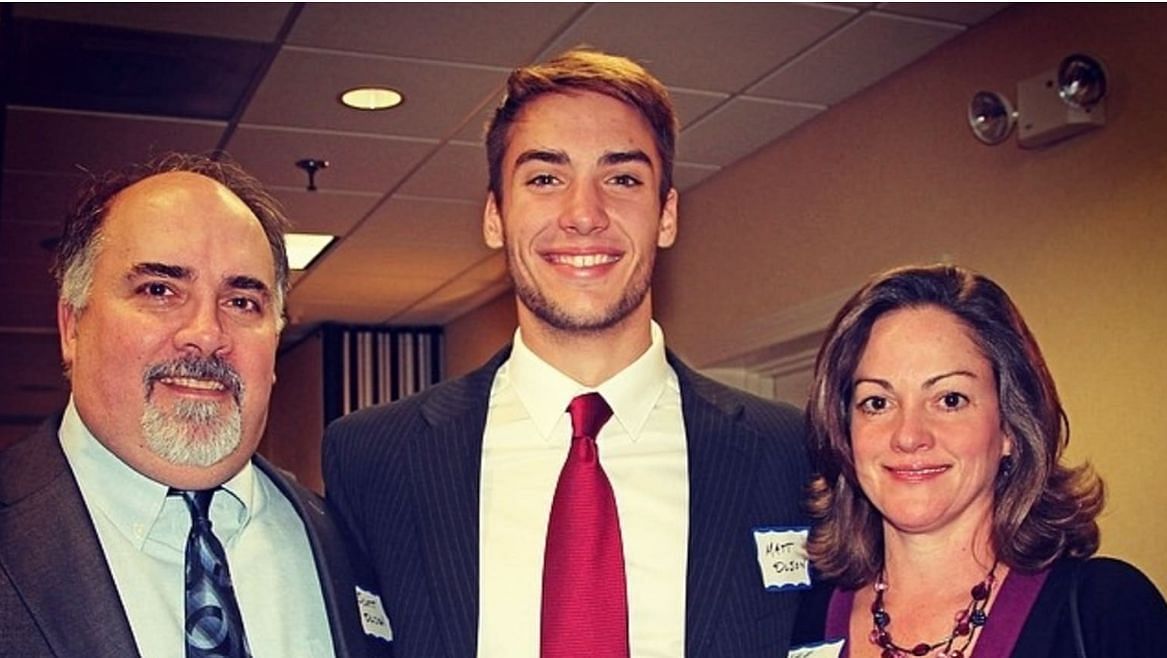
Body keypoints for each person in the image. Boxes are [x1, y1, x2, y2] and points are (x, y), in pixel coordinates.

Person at [323, 48, 811, 657]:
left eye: (623, 178)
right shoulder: (374, 458)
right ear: (496, 216)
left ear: (667, 215)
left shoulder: (788, 452)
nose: (584, 214)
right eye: (546, 178)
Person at [0, 153, 389, 657]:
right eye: (159, 290)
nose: (206, 335)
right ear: (72, 326)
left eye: (242, 302)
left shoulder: (344, 537)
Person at [790, 264, 1167, 658]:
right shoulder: (803, 615)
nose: (908, 435)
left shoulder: (1105, 612)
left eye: (950, 400)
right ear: (844, 433)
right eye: (877, 403)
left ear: (1009, 427)